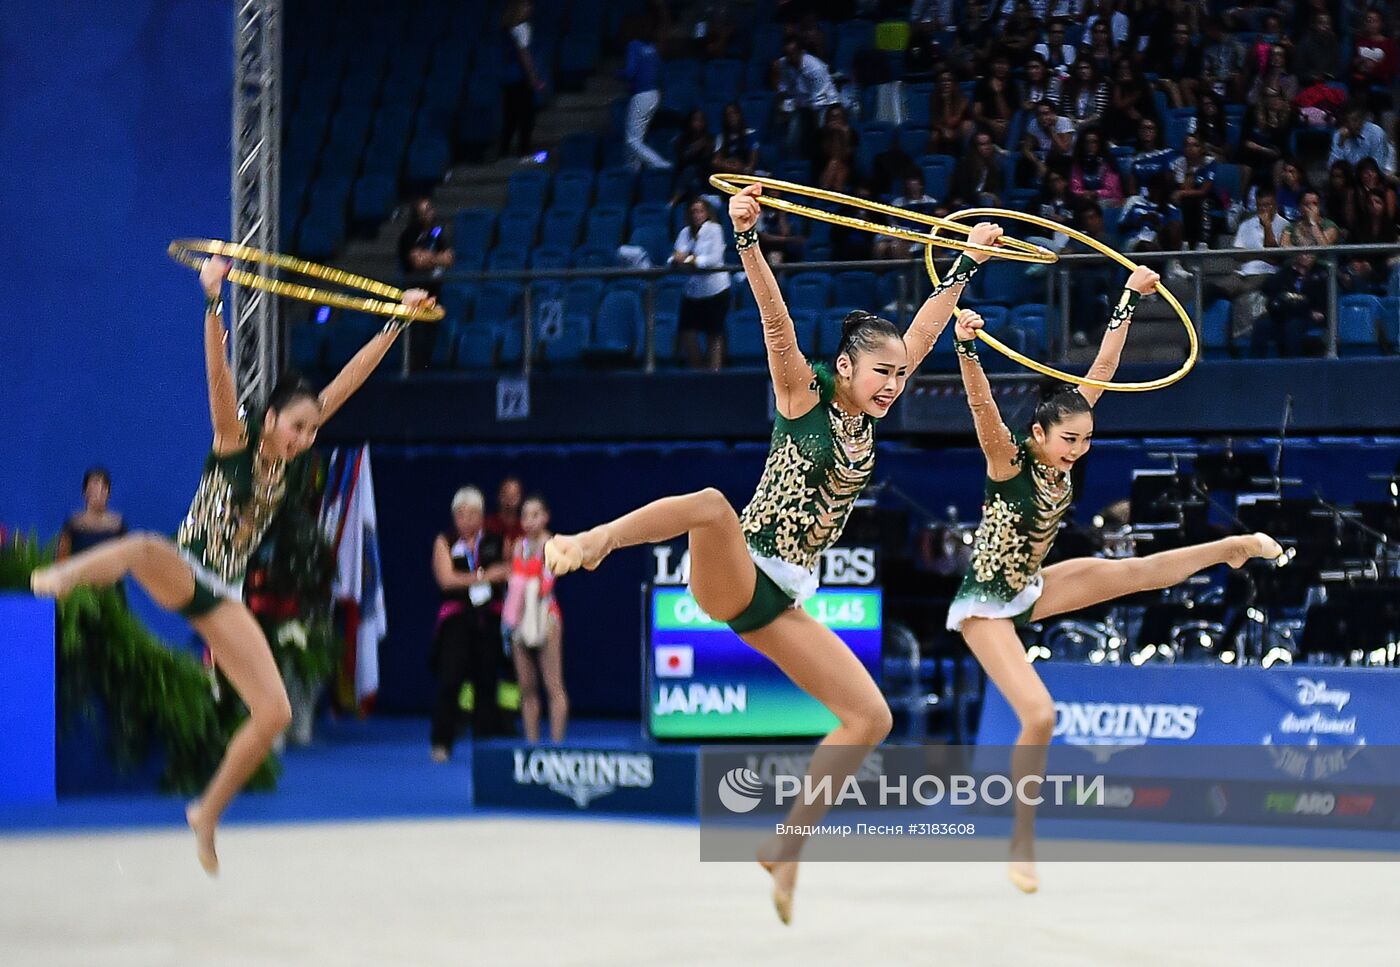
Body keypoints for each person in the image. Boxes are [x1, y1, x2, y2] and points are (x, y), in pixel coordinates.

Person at [545, 182, 1003, 924]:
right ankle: (595, 541)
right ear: (846, 368)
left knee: (869, 718)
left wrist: (966, 262)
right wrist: (748, 239)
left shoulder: (872, 403)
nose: (893, 382)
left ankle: (785, 849)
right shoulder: (803, 395)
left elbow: (921, 331)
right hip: (737, 568)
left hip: (779, 596)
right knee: (711, 503)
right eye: (879, 371)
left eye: (897, 373)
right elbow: (775, 322)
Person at [29, 256, 431, 874]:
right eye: (297, 428)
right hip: (185, 566)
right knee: (142, 549)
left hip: (223, 593)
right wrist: (212, 300)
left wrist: (396, 323)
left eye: (311, 432)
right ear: (270, 418)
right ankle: (61, 578)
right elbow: (218, 376)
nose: (304, 439)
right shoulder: (235, 440)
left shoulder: (289, 458)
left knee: (274, 712)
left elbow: (345, 384)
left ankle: (207, 814)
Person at [948, 281, 1282, 894]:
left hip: (1029, 585)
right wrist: (967, 347)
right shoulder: (1008, 461)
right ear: (1039, 437)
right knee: (1041, 715)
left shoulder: (1068, 434)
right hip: (986, 604)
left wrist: (1128, 296)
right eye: (1070, 440)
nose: (1079, 450)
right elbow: (983, 409)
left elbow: (1103, 366)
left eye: (1088, 440)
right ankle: (1021, 842)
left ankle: (1234, 548)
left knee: (1135, 572)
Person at [431, 487, 511, 761]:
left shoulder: (496, 541)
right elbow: (446, 579)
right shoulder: (445, 540)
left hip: (488, 618)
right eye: (460, 514)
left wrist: (485, 576)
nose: (465, 520)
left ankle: (485, 746)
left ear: (481, 516)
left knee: (487, 681)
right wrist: (483, 576)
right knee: (450, 680)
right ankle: (442, 742)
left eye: (471, 514)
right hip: (456, 619)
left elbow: (507, 571)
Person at [504, 494, 567, 744]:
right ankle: (531, 746)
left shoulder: (552, 544)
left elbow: (547, 582)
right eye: (524, 515)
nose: (529, 521)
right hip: (520, 620)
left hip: (546, 617)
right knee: (527, 688)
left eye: (535, 515)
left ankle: (556, 747)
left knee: (553, 685)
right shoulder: (518, 545)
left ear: (545, 516)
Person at [671, 198, 731, 371]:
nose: (696, 215)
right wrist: (677, 260)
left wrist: (690, 259)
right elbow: (677, 254)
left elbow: (712, 259)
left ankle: (714, 374)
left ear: (707, 213)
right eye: (693, 212)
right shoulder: (685, 232)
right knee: (687, 332)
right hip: (693, 291)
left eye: (700, 211)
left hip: (715, 290)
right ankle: (698, 371)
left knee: (714, 333)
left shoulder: (714, 230)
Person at [1253, 253, 1329, 357]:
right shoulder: (1286, 272)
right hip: (1286, 312)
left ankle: (1292, 364)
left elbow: (1323, 298)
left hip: (1308, 314)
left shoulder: (1321, 273)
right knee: (1262, 325)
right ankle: (1256, 365)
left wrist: (1318, 310)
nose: (1308, 256)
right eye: (1304, 253)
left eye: (1311, 254)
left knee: (1292, 326)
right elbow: (1268, 287)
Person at [774, 36, 839, 156]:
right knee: (792, 138)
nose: (790, 57)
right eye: (787, 54)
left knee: (819, 136)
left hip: (825, 102)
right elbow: (783, 87)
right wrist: (781, 108)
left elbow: (817, 100)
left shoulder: (814, 67)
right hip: (802, 102)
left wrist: (815, 132)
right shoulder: (783, 63)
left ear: (800, 52)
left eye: (792, 53)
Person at [621, 19, 670, 171]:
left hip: (641, 94)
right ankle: (632, 170)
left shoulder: (634, 46)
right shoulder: (653, 48)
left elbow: (630, 72)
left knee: (631, 139)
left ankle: (661, 164)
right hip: (654, 94)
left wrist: (616, 74)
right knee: (638, 138)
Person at [499, 0, 545, 159]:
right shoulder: (521, 28)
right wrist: (533, 78)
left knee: (510, 116)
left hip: (507, 79)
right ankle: (524, 152)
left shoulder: (505, 29)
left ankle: (503, 150)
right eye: (526, 6)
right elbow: (524, 55)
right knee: (526, 116)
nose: (530, 9)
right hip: (519, 79)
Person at [57, 467, 127, 561]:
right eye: (94, 489)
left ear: (108, 493)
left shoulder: (118, 525)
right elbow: (62, 559)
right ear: (85, 493)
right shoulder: (73, 523)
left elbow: (125, 560)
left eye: (103, 489)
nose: (98, 493)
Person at [1328, 105, 1398, 177]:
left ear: (1363, 120)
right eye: (1349, 121)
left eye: (1357, 120)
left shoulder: (1376, 133)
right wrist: (1341, 144)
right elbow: (1332, 167)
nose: (1354, 124)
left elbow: (1378, 166)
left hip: (1377, 175)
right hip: (1351, 179)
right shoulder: (1339, 135)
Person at [397, 198, 455, 278]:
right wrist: (438, 258)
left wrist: (428, 258)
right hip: (414, 280)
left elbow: (448, 259)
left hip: (436, 281)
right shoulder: (408, 235)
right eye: (426, 210)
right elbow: (418, 262)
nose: (431, 213)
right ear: (418, 215)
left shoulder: (437, 231)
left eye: (431, 208)